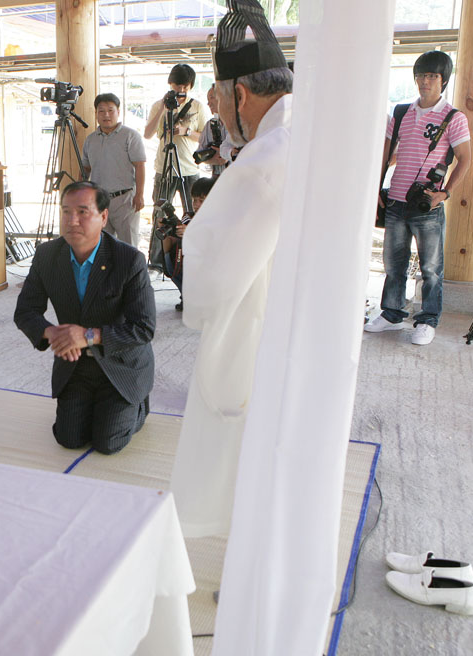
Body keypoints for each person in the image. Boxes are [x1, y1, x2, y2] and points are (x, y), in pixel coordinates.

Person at [170, 1, 294, 537]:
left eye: (219, 102)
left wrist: (190, 243)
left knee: (247, 451)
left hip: (267, 327)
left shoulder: (266, 159)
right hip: (300, 323)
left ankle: (254, 587)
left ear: (240, 94)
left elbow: (214, 279)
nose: (218, 115)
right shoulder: (302, 133)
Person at [14, 181, 155, 454]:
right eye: (65, 211)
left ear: (103, 217)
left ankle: (138, 403)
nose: (72, 220)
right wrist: (51, 333)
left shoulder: (129, 261)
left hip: (120, 365)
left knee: (108, 443)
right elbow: (26, 311)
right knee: (68, 438)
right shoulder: (47, 256)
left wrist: (88, 335)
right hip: (76, 365)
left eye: (82, 212)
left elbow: (144, 328)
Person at [365, 51, 471, 346]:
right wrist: (375, 187)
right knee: (394, 264)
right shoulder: (400, 113)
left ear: (444, 81)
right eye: (421, 75)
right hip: (397, 201)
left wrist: (445, 193)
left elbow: (464, 159)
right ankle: (392, 314)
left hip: (427, 205)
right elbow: (386, 155)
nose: (425, 81)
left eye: (432, 76)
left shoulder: (454, 118)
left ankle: (427, 321)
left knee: (431, 269)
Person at [81, 93, 146, 247]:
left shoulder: (131, 136)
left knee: (128, 245)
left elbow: (140, 166)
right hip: (99, 201)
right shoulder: (91, 139)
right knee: (102, 246)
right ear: (96, 113)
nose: (106, 115)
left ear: (118, 111)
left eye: (111, 110)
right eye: (101, 111)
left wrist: (140, 195)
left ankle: (130, 271)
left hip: (125, 200)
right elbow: (85, 169)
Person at [144, 64, 210, 204]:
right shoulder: (158, 106)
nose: (181, 90)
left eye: (185, 87)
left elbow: (205, 138)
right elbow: (147, 134)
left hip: (189, 168)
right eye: (177, 86)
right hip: (164, 168)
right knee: (161, 213)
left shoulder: (197, 106)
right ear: (170, 83)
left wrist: (186, 131)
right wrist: (162, 108)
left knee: (193, 213)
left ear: (191, 86)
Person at [162, 176, 215, 311]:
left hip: (211, 270)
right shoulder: (188, 217)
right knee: (170, 258)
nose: (196, 204)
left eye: (201, 201)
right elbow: (167, 251)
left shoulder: (219, 220)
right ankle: (188, 296)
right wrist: (166, 233)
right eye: (194, 200)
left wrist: (192, 234)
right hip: (191, 266)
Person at [195, 84, 232, 176]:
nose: (208, 103)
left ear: (223, 98)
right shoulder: (209, 125)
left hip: (235, 177)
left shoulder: (238, 125)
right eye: (207, 100)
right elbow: (198, 155)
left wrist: (228, 154)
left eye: (211, 98)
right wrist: (214, 160)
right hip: (215, 177)